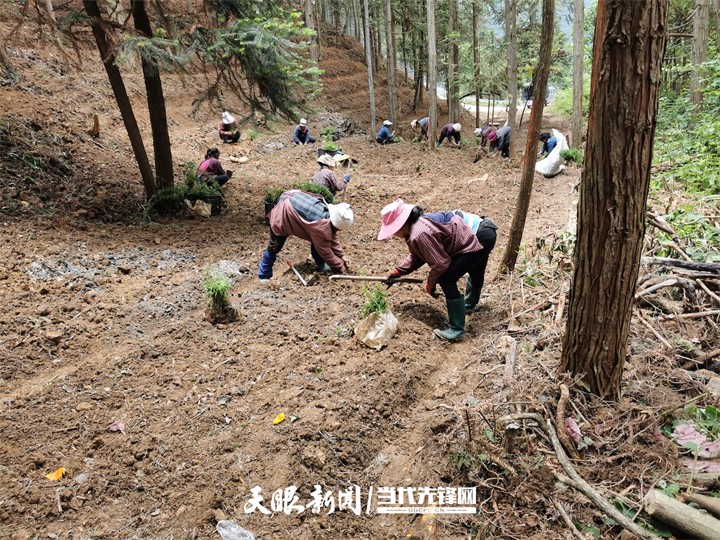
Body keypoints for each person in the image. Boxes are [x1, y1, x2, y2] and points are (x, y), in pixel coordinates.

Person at [378, 199, 489, 342]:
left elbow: (440, 264)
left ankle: (457, 329)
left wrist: (431, 283)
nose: (393, 234)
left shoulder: (419, 233)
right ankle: (469, 305)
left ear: (400, 225)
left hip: (479, 235)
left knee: (446, 278)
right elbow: (418, 256)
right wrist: (399, 271)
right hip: (483, 231)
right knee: (474, 268)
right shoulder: (416, 227)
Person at [257, 190, 354, 281]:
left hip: (293, 197)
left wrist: (342, 256)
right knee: (274, 247)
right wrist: (339, 265)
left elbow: (332, 236)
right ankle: (264, 275)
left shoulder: (328, 214)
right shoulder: (321, 226)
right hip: (283, 210)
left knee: (318, 240)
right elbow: (325, 251)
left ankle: (321, 264)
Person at [451, 210, 497, 313]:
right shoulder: (442, 221)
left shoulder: (440, 225)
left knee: (449, 277)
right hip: (487, 231)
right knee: (477, 269)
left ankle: (460, 314)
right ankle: (469, 304)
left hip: (480, 234)